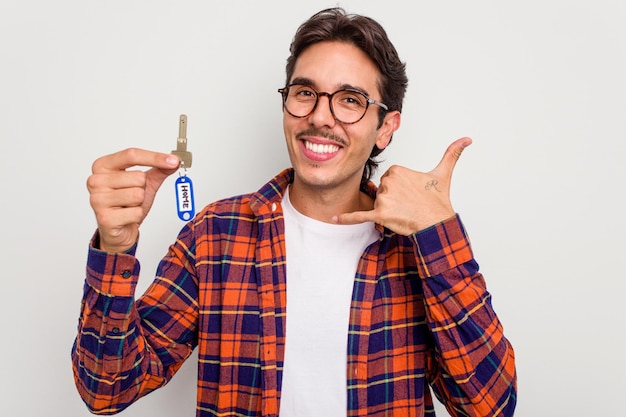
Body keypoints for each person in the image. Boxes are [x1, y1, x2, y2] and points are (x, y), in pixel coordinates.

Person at [72, 7, 517, 417]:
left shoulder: (420, 247)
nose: (320, 117)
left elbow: (488, 408)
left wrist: (438, 232)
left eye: (350, 100)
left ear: (385, 127)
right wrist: (115, 247)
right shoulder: (216, 235)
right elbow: (107, 389)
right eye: (305, 92)